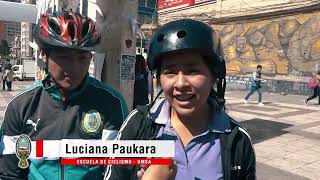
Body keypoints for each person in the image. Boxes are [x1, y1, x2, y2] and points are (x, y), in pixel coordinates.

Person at [105, 19, 256, 180]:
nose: (181, 83)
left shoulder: (237, 141)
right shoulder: (139, 124)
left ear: (214, 75)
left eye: (192, 71)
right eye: (170, 72)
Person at [0, 11, 128, 179]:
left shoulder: (111, 102)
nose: (74, 67)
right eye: (63, 57)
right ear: (44, 55)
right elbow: (10, 174)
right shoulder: (20, 106)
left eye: (82, 57)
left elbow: (117, 171)